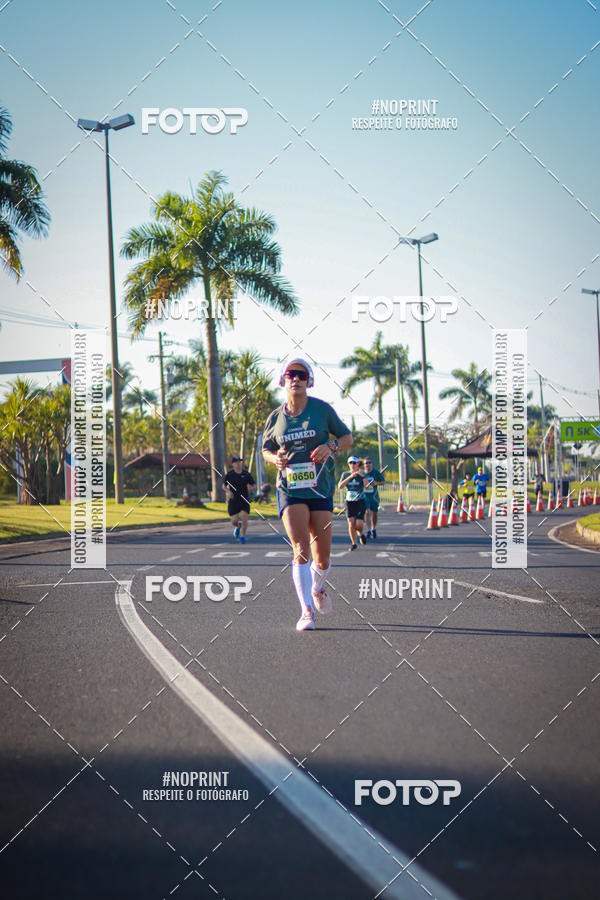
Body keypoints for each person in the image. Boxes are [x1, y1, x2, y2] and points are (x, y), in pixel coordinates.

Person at [262, 358, 352, 631]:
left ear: (308, 381)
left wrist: (331, 446)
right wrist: (274, 459)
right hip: (290, 488)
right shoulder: (276, 418)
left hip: (320, 488)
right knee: (300, 548)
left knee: (322, 558)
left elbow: (347, 438)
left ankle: (316, 587)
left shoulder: (322, 410)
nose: (296, 379)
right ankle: (306, 612)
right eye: (291, 374)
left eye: (301, 375)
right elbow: (266, 449)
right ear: (283, 379)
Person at [338, 457, 370, 549]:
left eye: (354, 463)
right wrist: (350, 477)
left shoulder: (362, 474)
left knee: (359, 524)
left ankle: (361, 533)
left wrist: (362, 477)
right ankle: (354, 543)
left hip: (360, 501)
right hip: (349, 502)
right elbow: (340, 486)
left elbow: (367, 487)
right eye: (350, 463)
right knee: (351, 523)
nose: (352, 465)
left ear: (358, 464)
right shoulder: (345, 474)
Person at [223, 456, 255, 543]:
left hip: (244, 499)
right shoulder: (230, 475)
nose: (238, 464)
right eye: (236, 462)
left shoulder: (246, 474)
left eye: (239, 462)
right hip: (234, 500)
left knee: (244, 517)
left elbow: (253, 485)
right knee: (234, 521)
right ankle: (237, 526)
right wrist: (228, 491)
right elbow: (224, 486)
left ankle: (243, 537)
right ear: (233, 464)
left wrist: (251, 487)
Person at [362, 456, 385, 539]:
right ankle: (368, 530)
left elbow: (383, 482)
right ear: (364, 465)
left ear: (371, 464)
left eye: (369, 463)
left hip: (374, 497)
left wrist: (376, 483)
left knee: (374, 513)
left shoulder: (375, 473)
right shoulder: (362, 474)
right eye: (366, 463)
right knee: (367, 512)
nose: (368, 464)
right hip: (365, 497)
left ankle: (373, 528)